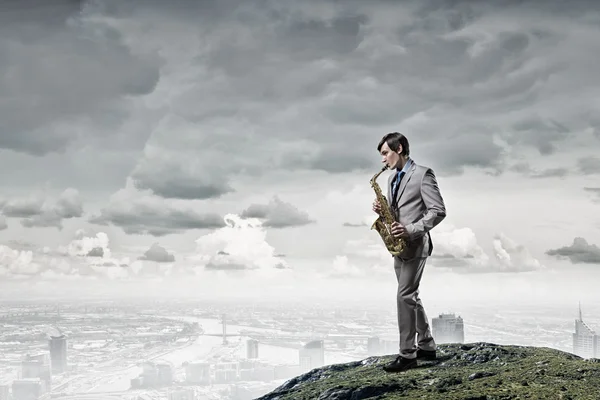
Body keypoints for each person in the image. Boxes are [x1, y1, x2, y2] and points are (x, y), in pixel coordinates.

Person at [372, 132, 447, 373]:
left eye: (385, 153)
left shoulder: (423, 174)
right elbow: (396, 213)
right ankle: (426, 345)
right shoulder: (391, 179)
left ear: (400, 148)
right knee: (411, 296)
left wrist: (410, 230)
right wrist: (382, 213)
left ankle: (407, 355)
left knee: (404, 296)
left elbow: (437, 211)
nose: (383, 160)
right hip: (398, 247)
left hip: (415, 245)